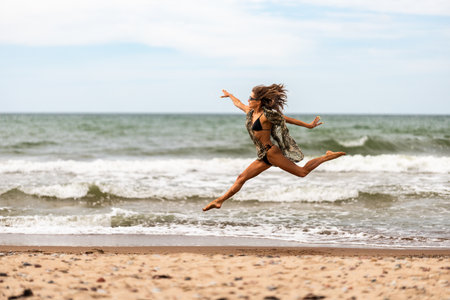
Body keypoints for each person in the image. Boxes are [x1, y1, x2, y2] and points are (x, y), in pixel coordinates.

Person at [203, 84, 346, 211]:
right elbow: (238, 103)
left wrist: (309, 126)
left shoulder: (267, 116)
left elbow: (288, 119)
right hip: (263, 155)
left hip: (272, 153)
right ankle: (219, 201)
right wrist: (229, 95)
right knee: (241, 178)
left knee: (302, 173)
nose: (248, 100)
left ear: (258, 102)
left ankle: (326, 156)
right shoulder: (250, 112)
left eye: (251, 98)